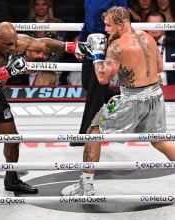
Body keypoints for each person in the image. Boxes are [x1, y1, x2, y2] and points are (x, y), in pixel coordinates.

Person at [0, 22, 89, 194]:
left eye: (14, 42)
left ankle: (11, 179)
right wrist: (7, 72)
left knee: (12, 140)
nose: (12, 48)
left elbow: (45, 44)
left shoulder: (18, 42)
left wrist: (74, 47)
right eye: (8, 44)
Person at [61, 6, 175, 196]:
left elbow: (102, 78)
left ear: (120, 25)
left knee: (93, 131)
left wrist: (97, 54)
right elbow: (159, 66)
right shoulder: (147, 37)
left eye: (108, 25)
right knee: (160, 141)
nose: (105, 29)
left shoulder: (117, 46)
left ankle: (86, 186)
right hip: (155, 94)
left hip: (133, 99)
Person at [70, 0, 128, 146]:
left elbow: (123, 18)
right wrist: (81, 43)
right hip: (91, 43)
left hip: (107, 43)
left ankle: (85, 134)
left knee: (95, 91)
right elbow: (87, 21)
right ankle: (120, 97)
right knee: (87, 83)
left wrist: (114, 42)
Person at [146, 11, 175, 85]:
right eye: (151, 25)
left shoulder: (173, 43)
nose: (154, 28)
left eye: (158, 25)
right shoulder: (139, 46)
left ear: (165, 27)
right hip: (146, 91)